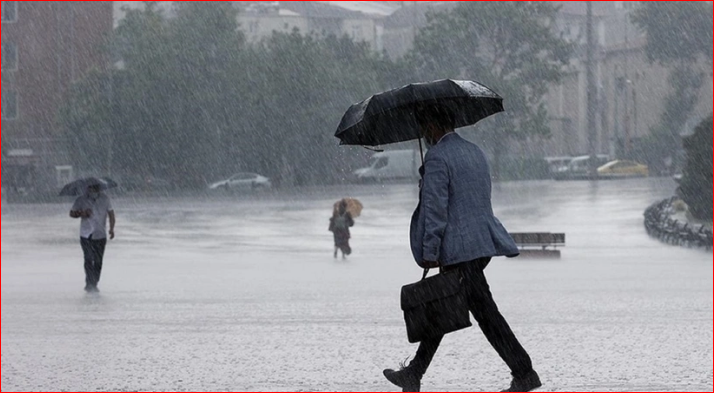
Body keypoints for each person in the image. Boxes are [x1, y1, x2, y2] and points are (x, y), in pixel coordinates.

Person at [383, 105, 541, 392]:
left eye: (424, 127)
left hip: (458, 250)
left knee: (484, 314)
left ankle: (525, 372)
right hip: (480, 245)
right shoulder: (475, 152)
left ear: (433, 125)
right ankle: (414, 373)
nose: (423, 133)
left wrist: (429, 251)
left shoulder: (438, 157)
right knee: (446, 305)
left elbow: (435, 210)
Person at [69, 182, 115, 293]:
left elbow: (111, 214)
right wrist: (81, 213)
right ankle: (89, 283)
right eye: (90, 188)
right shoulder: (81, 199)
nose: (93, 190)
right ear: (87, 188)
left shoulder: (105, 199)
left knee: (98, 260)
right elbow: (72, 213)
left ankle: (94, 282)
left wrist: (111, 229)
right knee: (88, 258)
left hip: (100, 234)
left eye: (95, 188)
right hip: (86, 234)